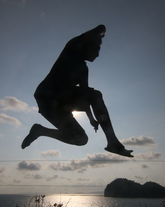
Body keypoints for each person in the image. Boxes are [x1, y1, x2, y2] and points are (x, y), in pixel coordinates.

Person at [21, 25, 133, 157]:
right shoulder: (71, 51)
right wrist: (100, 30)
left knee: (81, 139)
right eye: (97, 49)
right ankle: (113, 142)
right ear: (87, 45)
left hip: (61, 104)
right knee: (96, 95)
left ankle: (40, 131)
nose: (98, 54)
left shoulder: (84, 70)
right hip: (47, 97)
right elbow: (84, 37)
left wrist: (91, 118)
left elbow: (85, 98)